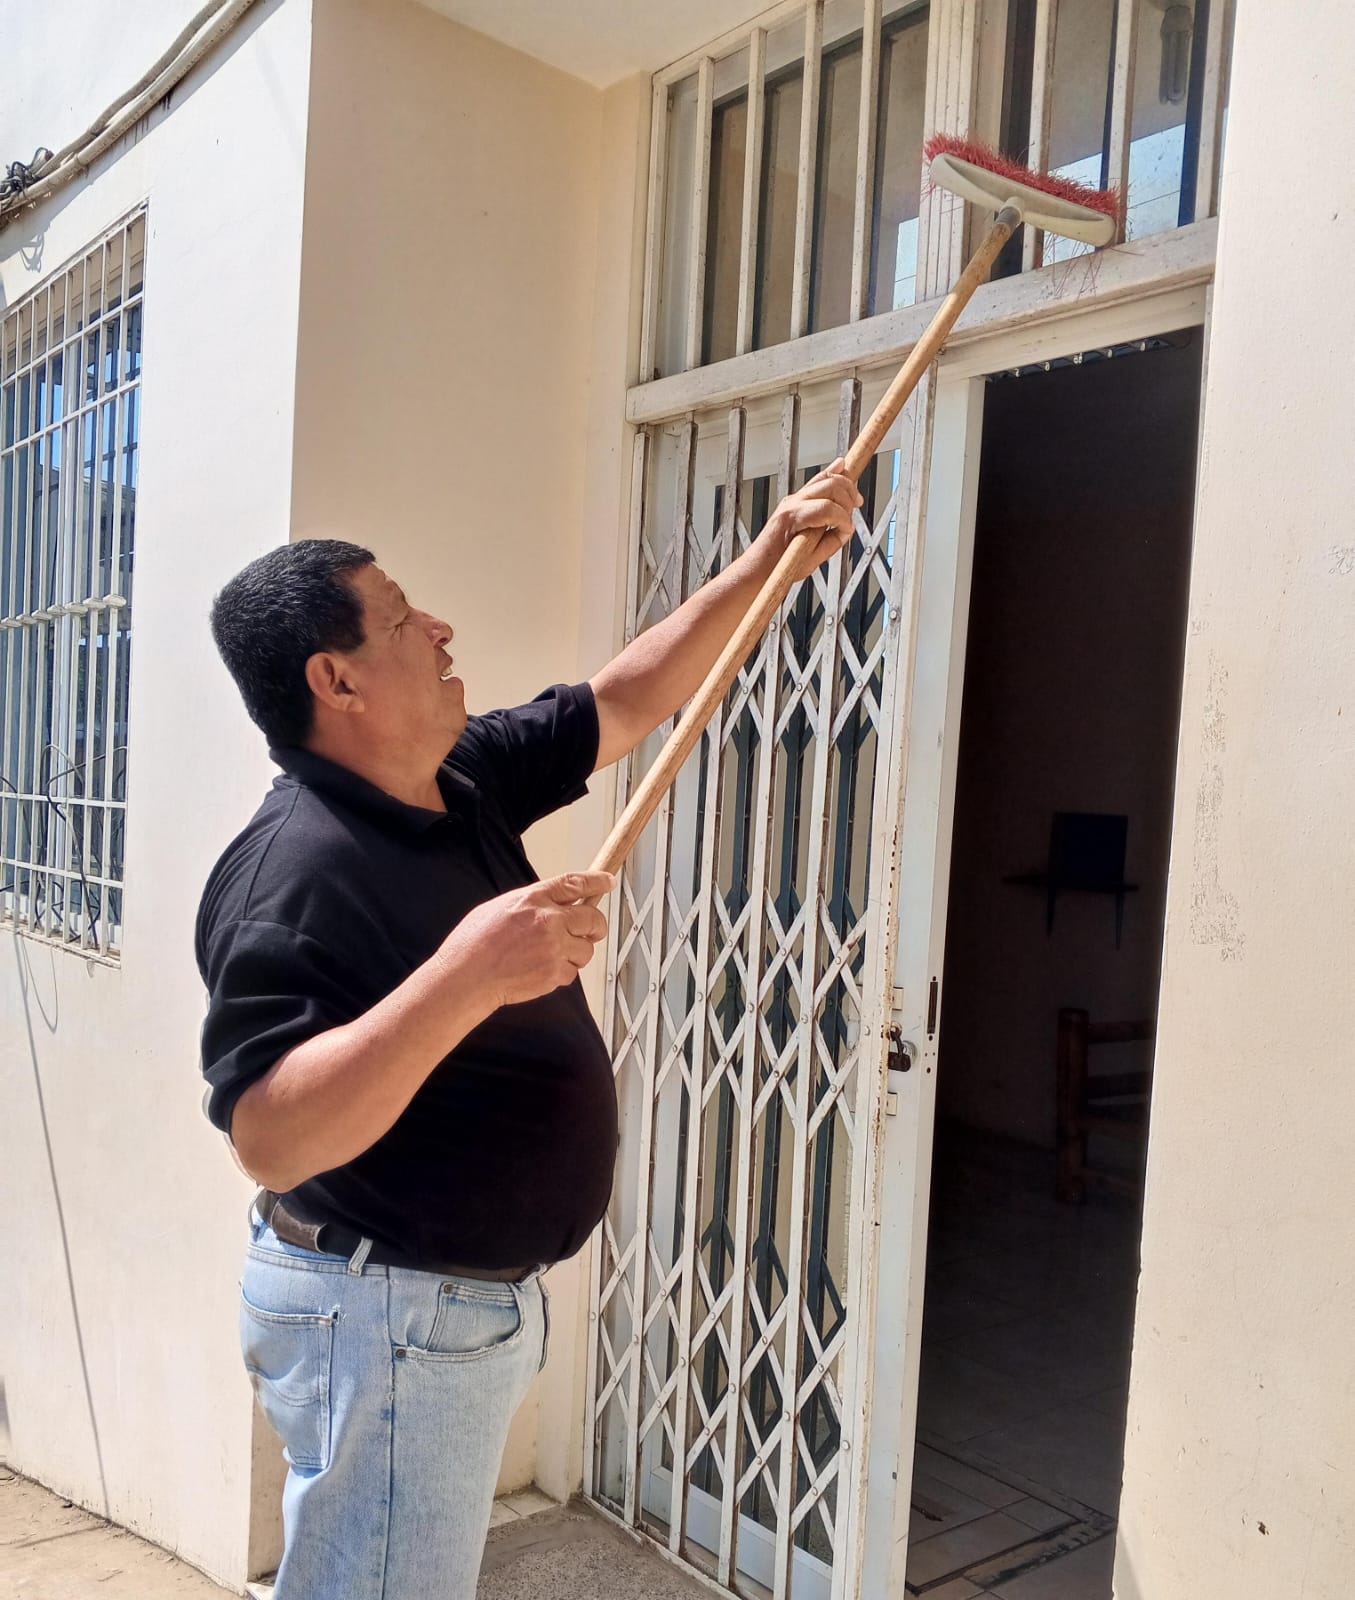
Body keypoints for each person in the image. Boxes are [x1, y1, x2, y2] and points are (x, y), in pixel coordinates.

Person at [196, 461, 862, 1598]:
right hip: (387, 1306)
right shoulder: (294, 874)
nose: (439, 628)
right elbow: (270, 1135)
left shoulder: (455, 778)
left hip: (436, 1308)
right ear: (335, 679)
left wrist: (772, 559)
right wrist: (468, 977)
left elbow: (625, 701)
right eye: (401, 619)